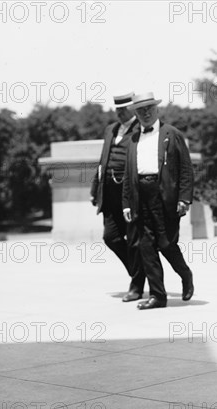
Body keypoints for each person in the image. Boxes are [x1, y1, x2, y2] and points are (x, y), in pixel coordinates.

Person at [122, 92, 194, 309]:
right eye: (140, 110)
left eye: (149, 109)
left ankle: (185, 274)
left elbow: (185, 169)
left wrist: (184, 198)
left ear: (157, 109)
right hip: (140, 197)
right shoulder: (133, 138)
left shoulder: (172, 134)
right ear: (135, 113)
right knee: (146, 247)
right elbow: (128, 173)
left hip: (165, 196)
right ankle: (157, 296)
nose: (145, 113)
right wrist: (126, 202)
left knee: (166, 243)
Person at [90, 92, 145, 302]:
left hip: (128, 193)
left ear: (132, 109)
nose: (120, 113)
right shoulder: (110, 130)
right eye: (117, 109)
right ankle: (137, 270)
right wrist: (95, 189)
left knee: (133, 240)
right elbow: (102, 161)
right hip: (109, 193)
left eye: (124, 109)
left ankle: (136, 287)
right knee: (110, 237)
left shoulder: (140, 129)